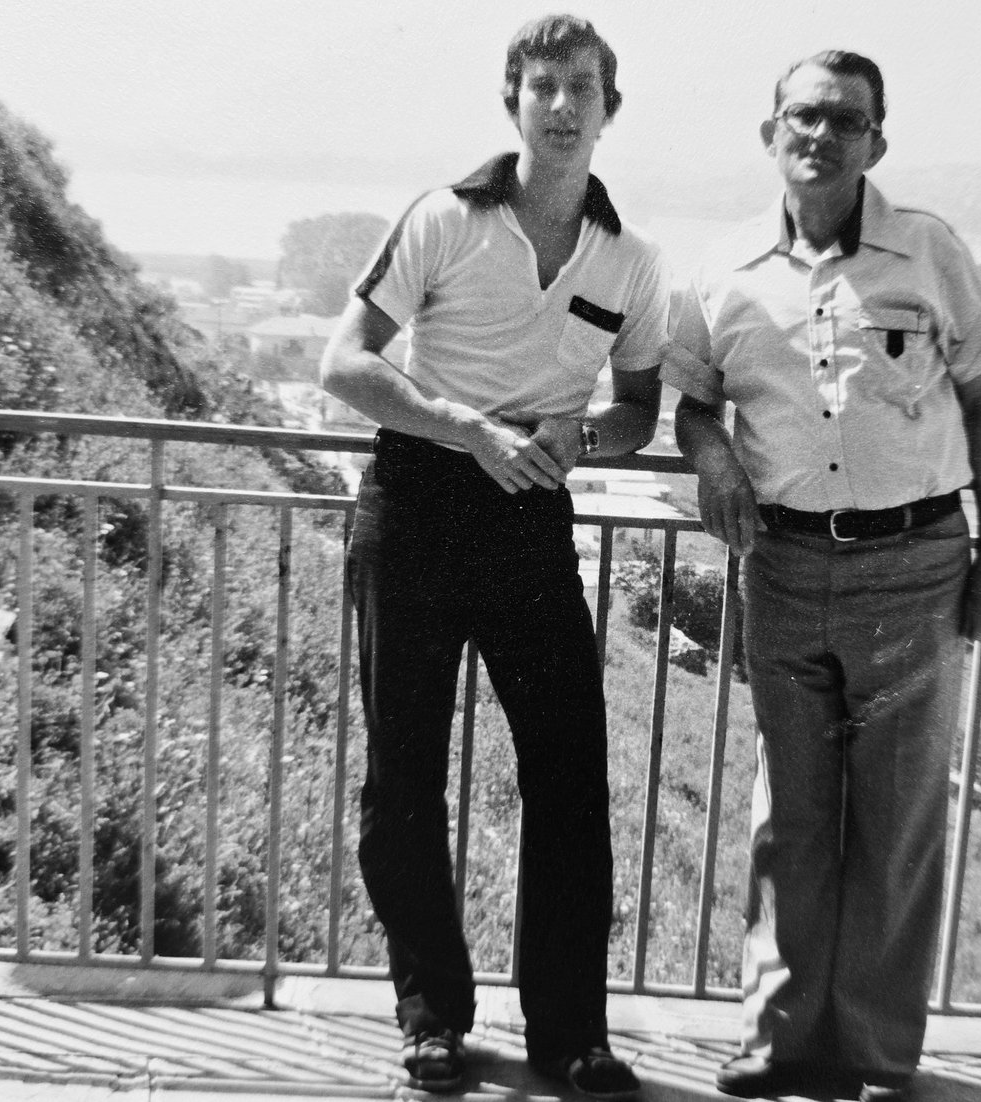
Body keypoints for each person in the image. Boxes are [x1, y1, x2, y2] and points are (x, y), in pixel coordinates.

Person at [320, 14, 666, 1098]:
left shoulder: (632, 259)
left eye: (584, 88)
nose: (563, 107)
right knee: (405, 773)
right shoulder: (443, 218)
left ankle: (571, 1035)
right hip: (417, 500)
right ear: (511, 101)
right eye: (544, 87)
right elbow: (344, 363)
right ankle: (432, 1018)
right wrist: (465, 427)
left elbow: (640, 407)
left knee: (570, 775)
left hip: (529, 524)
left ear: (613, 106)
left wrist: (584, 435)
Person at [664, 49, 981, 1102]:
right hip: (780, 565)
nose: (822, 135)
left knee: (897, 819)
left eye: (846, 120)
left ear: (878, 142)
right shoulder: (724, 271)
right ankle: (775, 1040)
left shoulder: (929, 253)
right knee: (793, 814)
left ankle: (867, 1056)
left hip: (916, 568)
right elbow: (691, 399)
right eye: (804, 117)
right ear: (769, 132)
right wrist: (714, 452)